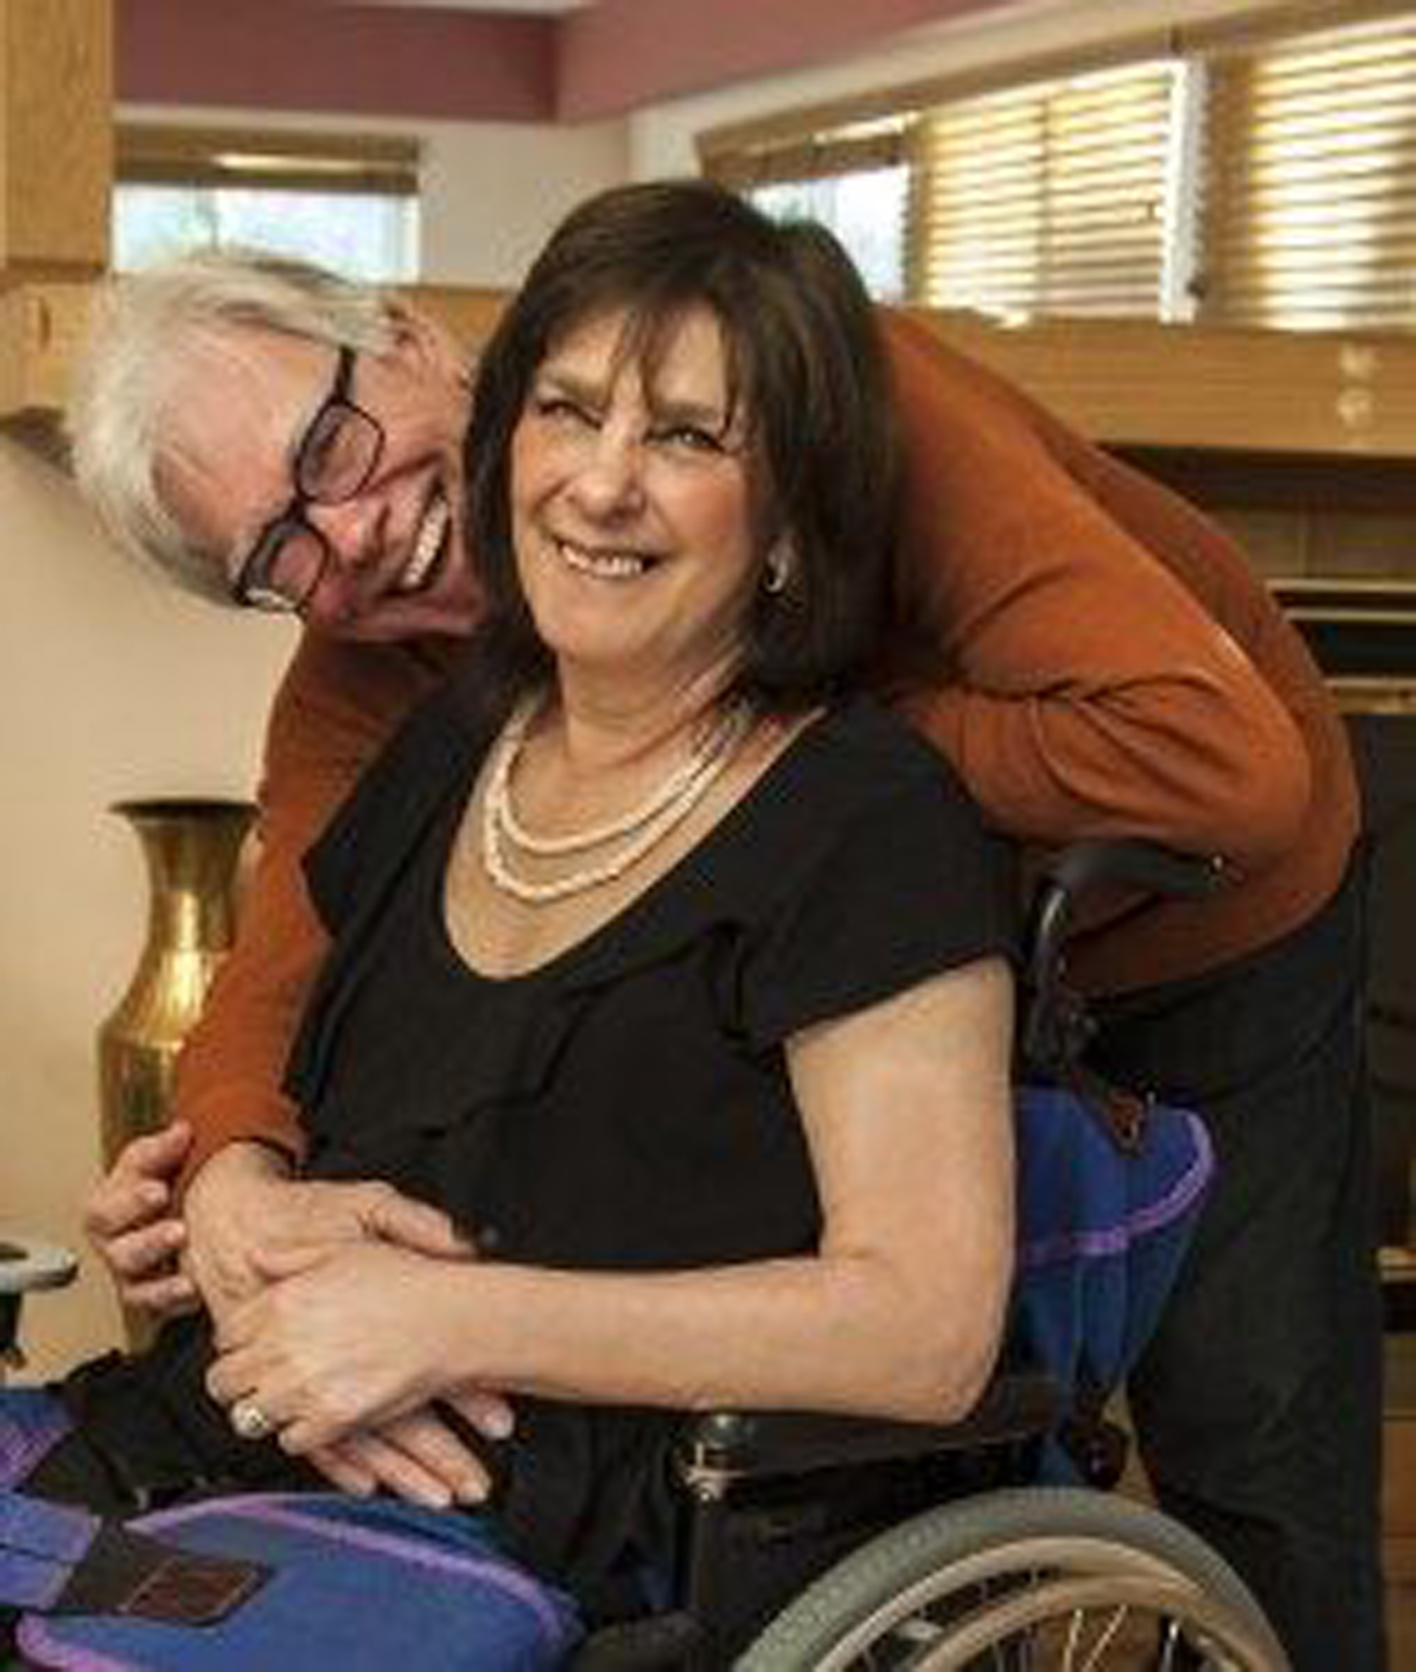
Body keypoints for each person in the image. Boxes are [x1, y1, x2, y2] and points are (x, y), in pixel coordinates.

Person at [66, 199, 1380, 1669]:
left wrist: (717, 724)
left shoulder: (807, 383)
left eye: (330, 450)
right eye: (279, 552)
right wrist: (235, 1179)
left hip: (1201, 909)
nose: (354, 534)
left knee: (1255, 1428)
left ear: (409, 344)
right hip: (863, 971)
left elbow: (1220, 765)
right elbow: (280, 955)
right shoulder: (375, 662)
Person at [4, 183, 1018, 1662]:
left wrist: (443, 1326)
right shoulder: (442, 746)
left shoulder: (864, 818)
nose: (600, 486)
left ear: (791, 509)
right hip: (260, 1441)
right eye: (567, 412)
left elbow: (924, 1331)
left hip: (571, 1518)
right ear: (509, 436)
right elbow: (298, 1058)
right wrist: (234, 1204)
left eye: (685, 436)